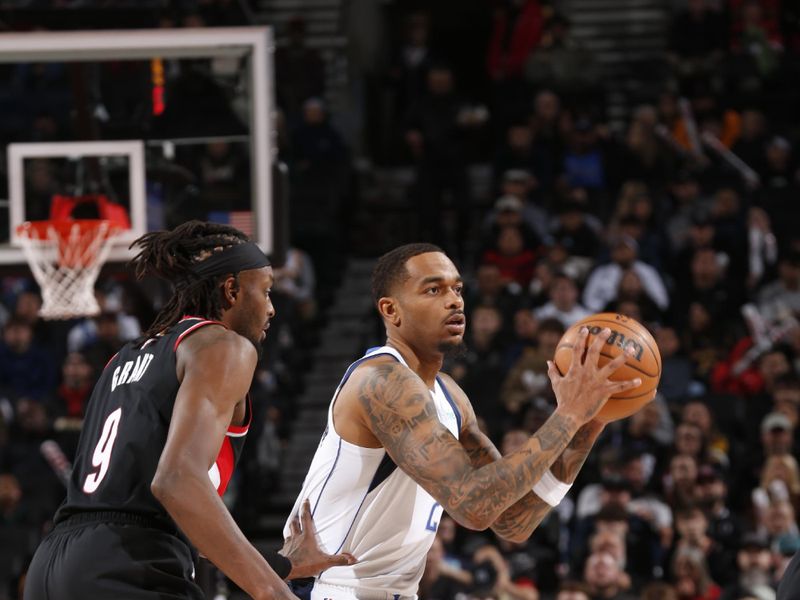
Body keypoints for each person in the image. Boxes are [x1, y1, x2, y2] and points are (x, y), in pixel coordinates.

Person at [284, 243, 640, 599]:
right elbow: (473, 506)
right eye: (434, 289)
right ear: (391, 310)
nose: (455, 301)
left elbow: (512, 520)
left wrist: (591, 423)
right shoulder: (382, 381)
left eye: (457, 289)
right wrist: (569, 413)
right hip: (328, 590)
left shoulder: (451, 396)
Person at [23, 221, 354, 600]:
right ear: (231, 290)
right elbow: (176, 482)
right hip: (128, 564)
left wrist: (282, 566)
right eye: (265, 292)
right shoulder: (223, 346)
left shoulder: (123, 358)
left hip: (52, 566)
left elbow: (180, 515)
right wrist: (276, 592)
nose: (272, 308)